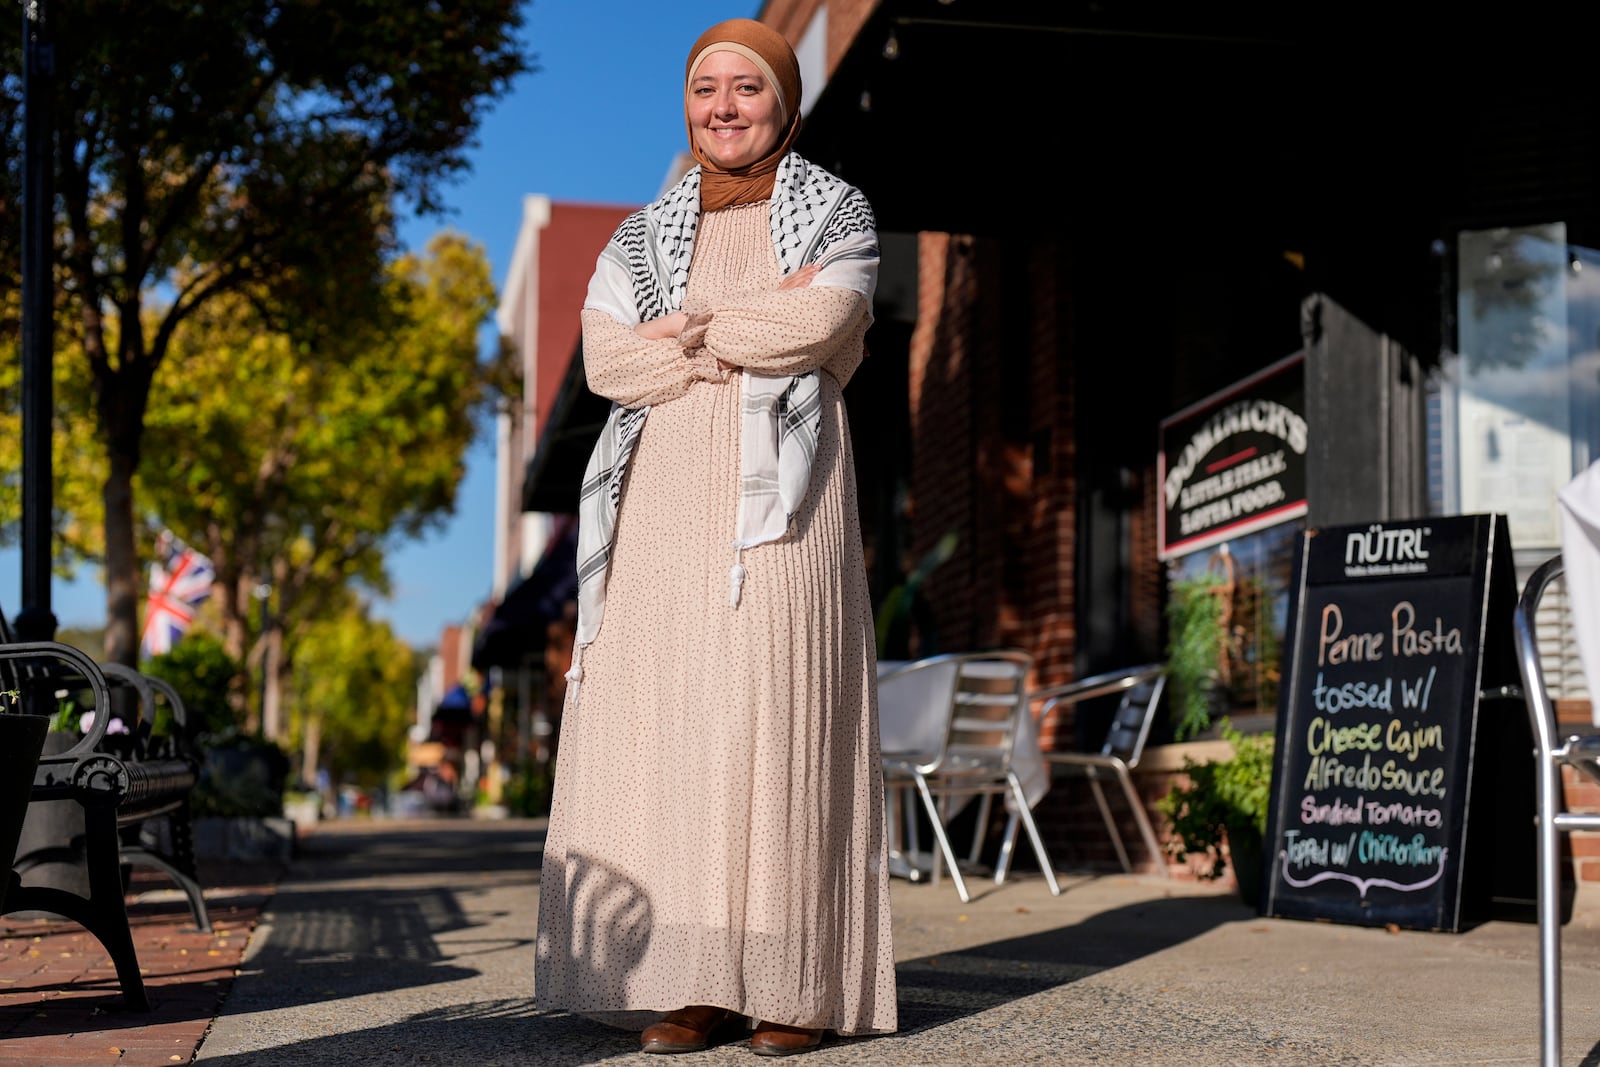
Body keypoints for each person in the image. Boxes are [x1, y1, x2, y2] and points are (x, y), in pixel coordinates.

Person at [533, 16, 897, 1058]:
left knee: (775, 715)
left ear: (781, 104)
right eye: (705, 89)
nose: (723, 107)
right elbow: (608, 363)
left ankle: (791, 977)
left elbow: (819, 325)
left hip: (783, 508)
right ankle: (690, 977)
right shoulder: (637, 237)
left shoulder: (835, 208)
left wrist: (682, 334)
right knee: (676, 729)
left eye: (746, 88)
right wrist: (730, 327)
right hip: (657, 508)